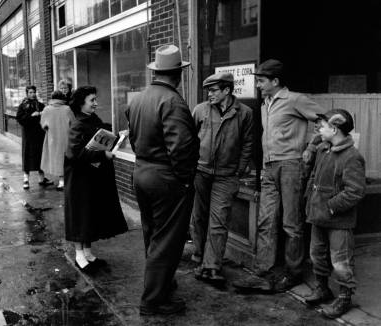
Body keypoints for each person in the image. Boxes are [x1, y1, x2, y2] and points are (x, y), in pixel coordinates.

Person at [233, 59, 325, 292]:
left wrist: (311, 147)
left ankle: (293, 273)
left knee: (291, 224)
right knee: (266, 221)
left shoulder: (295, 99)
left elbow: (326, 121)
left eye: (262, 81)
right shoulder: (266, 103)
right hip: (269, 167)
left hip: (291, 166)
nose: (259, 86)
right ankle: (263, 271)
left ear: (275, 81)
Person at [126, 44, 199, 316]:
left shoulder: (139, 99)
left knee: (153, 235)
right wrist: (184, 180)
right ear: (178, 73)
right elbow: (181, 148)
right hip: (166, 177)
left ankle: (161, 285)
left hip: (142, 172)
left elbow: (133, 138)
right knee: (167, 240)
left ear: (157, 72)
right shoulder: (173, 102)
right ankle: (154, 300)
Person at [191, 72, 253, 286]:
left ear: (227, 90)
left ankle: (212, 266)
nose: (209, 94)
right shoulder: (200, 110)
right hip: (200, 172)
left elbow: (247, 143)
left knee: (219, 220)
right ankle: (199, 257)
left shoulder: (244, 113)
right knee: (199, 217)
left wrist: (240, 169)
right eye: (208, 90)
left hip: (226, 176)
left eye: (214, 90)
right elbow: (189, 140)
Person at [303, 109, 365, 318]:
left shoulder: (352, 156)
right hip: (318, 215)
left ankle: (344, 298)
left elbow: (355, 192)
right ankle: (322, 288)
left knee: (341, 261)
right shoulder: (323, 149)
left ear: (335, 128)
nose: (318, 129)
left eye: (322, 126)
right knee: (317, 255)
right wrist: (310, 202)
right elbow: (313, 178)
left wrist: (330, 206)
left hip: (338, 220)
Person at [64, 86, 128, 273]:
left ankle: (88, 252)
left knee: (89, 215)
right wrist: (103, 156)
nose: (96, 103)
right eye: (92, 100)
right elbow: (73, 154)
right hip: (79, 180)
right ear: (81, 103)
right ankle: (79, 255)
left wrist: (117, 140)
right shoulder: (77, 124)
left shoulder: (92, 120)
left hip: (90, 178)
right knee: (80, 216)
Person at [16, 85, 53, 190]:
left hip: (39, 134)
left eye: (34, 92)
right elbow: (19, 118)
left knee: (40, 156)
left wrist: (41, 113)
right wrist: (31, 116)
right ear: (27, 93)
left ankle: (41, 178)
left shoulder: (40, 105)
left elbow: (47, 116)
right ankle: (26, 179)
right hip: (28, 135)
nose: (32, 94)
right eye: (30, 92)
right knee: (27, 155)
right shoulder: (23, 106)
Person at [40, 91, 74, 191]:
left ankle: (61, 181)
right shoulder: (68, 109)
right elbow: (73, 123)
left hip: (53, 138)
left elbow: (44, 125)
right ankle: (64, 180)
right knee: (65, 158)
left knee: (56, 159)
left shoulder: (47, 109)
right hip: (66, 137)